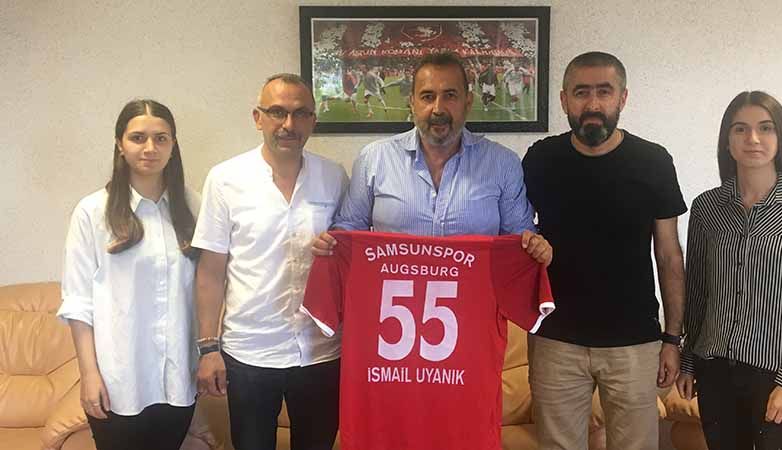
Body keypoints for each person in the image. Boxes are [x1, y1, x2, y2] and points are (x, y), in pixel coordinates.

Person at [521, 51, 687, 450]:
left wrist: (672, 338)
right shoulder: (541, 159)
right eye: (581, 93)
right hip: (555, 339)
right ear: (564, 100)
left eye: (604, 92)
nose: (593, 104)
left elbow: (669, 256)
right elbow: (518, 238)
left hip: (635, 341)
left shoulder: (653, 161)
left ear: (622, 98)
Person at [193, 73, 348, 450]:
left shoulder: (334, 177)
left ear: (313, 120)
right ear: (257, 117)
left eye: (300, 113)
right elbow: (210, 273)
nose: (288, 124)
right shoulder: (225, 179)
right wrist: (209, 349)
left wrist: (336, 246)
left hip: (321, 350)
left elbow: (350, 257)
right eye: (277, 112)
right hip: (250, 352)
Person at [677, 91, 782, 450]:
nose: (753, 138)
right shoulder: (707, 208)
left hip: (779, 378)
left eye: (766, 128)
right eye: (740, 129)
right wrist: (688, 361)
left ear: (781, 137)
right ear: (727, 140)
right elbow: (698, 291)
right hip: (715, 374)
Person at [312, 51, 551, 263]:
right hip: (393, 299)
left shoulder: (503, 163)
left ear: (468, 102)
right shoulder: (374, 159)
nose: (438, 109)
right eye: (427, 96)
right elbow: (349, 229)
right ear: (412, 103)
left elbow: (519, 239)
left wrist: (535, 247)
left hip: (476, 298)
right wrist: (331, 243)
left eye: (450, 95)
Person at [58, 99, 199, 450]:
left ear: (173, 145)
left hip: (177, 379)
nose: (150, 148)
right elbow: (78, 302)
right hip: (118, 381)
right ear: (120, 144)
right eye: (138, 138)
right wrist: (89, 374)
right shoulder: (93, 212)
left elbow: (209, 285)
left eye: (161, 138)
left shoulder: (193, 206)